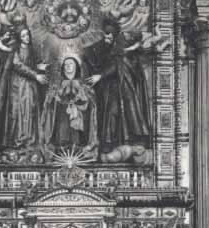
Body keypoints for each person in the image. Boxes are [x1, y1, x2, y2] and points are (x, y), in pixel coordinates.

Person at [85, 17, 151, 154]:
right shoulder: (110, 46)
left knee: (122, 112)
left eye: (109, 35)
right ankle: (111, 142)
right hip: (112, 87)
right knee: (112, 113)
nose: (106, 37)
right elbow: (98, 56)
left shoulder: (120, 48)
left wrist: (100, 76)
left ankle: (127, 140)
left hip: (123, 86)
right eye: (105, 34)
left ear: (114, 34)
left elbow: (116, 65)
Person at [0, 24, 48, 153]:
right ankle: (18, 140)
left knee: (30, 109)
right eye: (23, 35)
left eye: (27, 34)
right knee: (18, 110)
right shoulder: (14, 48)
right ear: (19, 37)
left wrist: (39, 67)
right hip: (18, 85)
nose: (26, 37)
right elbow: (17, 65)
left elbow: (29, 65)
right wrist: (36, 75)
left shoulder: (31, 49)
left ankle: (29, 139)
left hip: (30, 84)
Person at [41, 55, 98, 156]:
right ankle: (61, 149)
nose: (68, 66)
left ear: (76, 67)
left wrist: (82, 101)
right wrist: (54, 98)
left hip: (79, 117)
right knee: (62, 133)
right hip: (62, 115)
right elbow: (49, 102)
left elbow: (91, 102)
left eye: (71, 64)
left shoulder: (83, 85)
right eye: (66, 64)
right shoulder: (57, 85)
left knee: (77, 138)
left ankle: (78, 149)